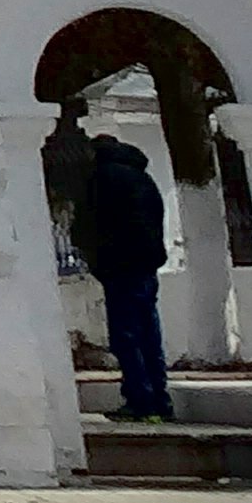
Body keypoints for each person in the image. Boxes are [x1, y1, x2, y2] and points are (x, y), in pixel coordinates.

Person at [75, 129, 175, 421]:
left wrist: (95, 256)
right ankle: (161, 400)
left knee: (126, 337)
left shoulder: (103, 178)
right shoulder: (142, 177)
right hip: (147, 266)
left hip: (119, 268)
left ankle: (141, 402)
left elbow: (88, 223)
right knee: (149, 335)